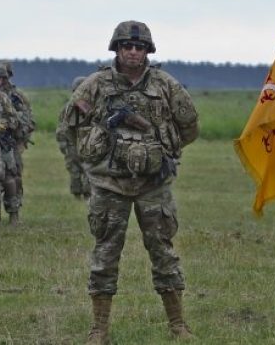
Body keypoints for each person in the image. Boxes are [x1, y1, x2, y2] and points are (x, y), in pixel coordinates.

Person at [65, 21, 198, 341]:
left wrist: (162, 151)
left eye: (139, 47)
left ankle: (178, 325)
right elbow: (72, 124)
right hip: (110, 185)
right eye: (127, 46)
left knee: (163, 251)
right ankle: (99, 328)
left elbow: (190, 126)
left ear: (147, 51)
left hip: (154, 184)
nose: (133, 52)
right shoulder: (95, 84)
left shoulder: (165, 84)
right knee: (105, 254)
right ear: (117, 49)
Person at [57, 76, 90, 200]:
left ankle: (87, 193)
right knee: (74, 171)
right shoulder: (67, 108)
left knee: (88, 170)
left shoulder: (91, 107)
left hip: (88, 144)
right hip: (72, 144)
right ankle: (77, 193)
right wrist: (63, 145)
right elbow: (61, 129)